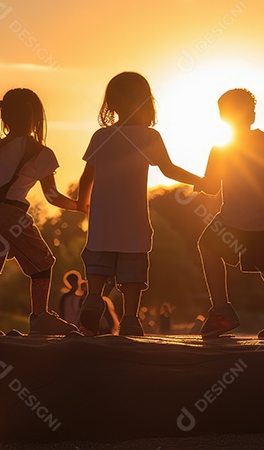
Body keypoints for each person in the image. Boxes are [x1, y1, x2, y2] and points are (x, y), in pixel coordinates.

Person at [77, 72, 202, 336]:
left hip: (103, 218)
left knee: (99, 263)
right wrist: (200, 180)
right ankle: (131, 319)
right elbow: (169, 170)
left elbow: (87, 176)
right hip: (132, 218)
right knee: (132, 268)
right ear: (146, 101)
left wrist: (82, 203)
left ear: (111, 104)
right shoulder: (149, 137)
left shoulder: (101, 136)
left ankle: (93, 298)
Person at [0, 89, 83, 337]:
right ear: (35, 119)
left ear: (5, 119)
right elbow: (52, 196)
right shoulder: (40, 152)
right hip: (11, 214)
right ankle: (40, 317)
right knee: (42, 260)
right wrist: (80, 206)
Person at [196, 89, 264, 339]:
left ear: (222, 117)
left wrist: (194, 181)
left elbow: (209, 187)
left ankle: (221, 311)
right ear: (252, 116)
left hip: (234, 221)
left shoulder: (220, 150)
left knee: (207, 247)